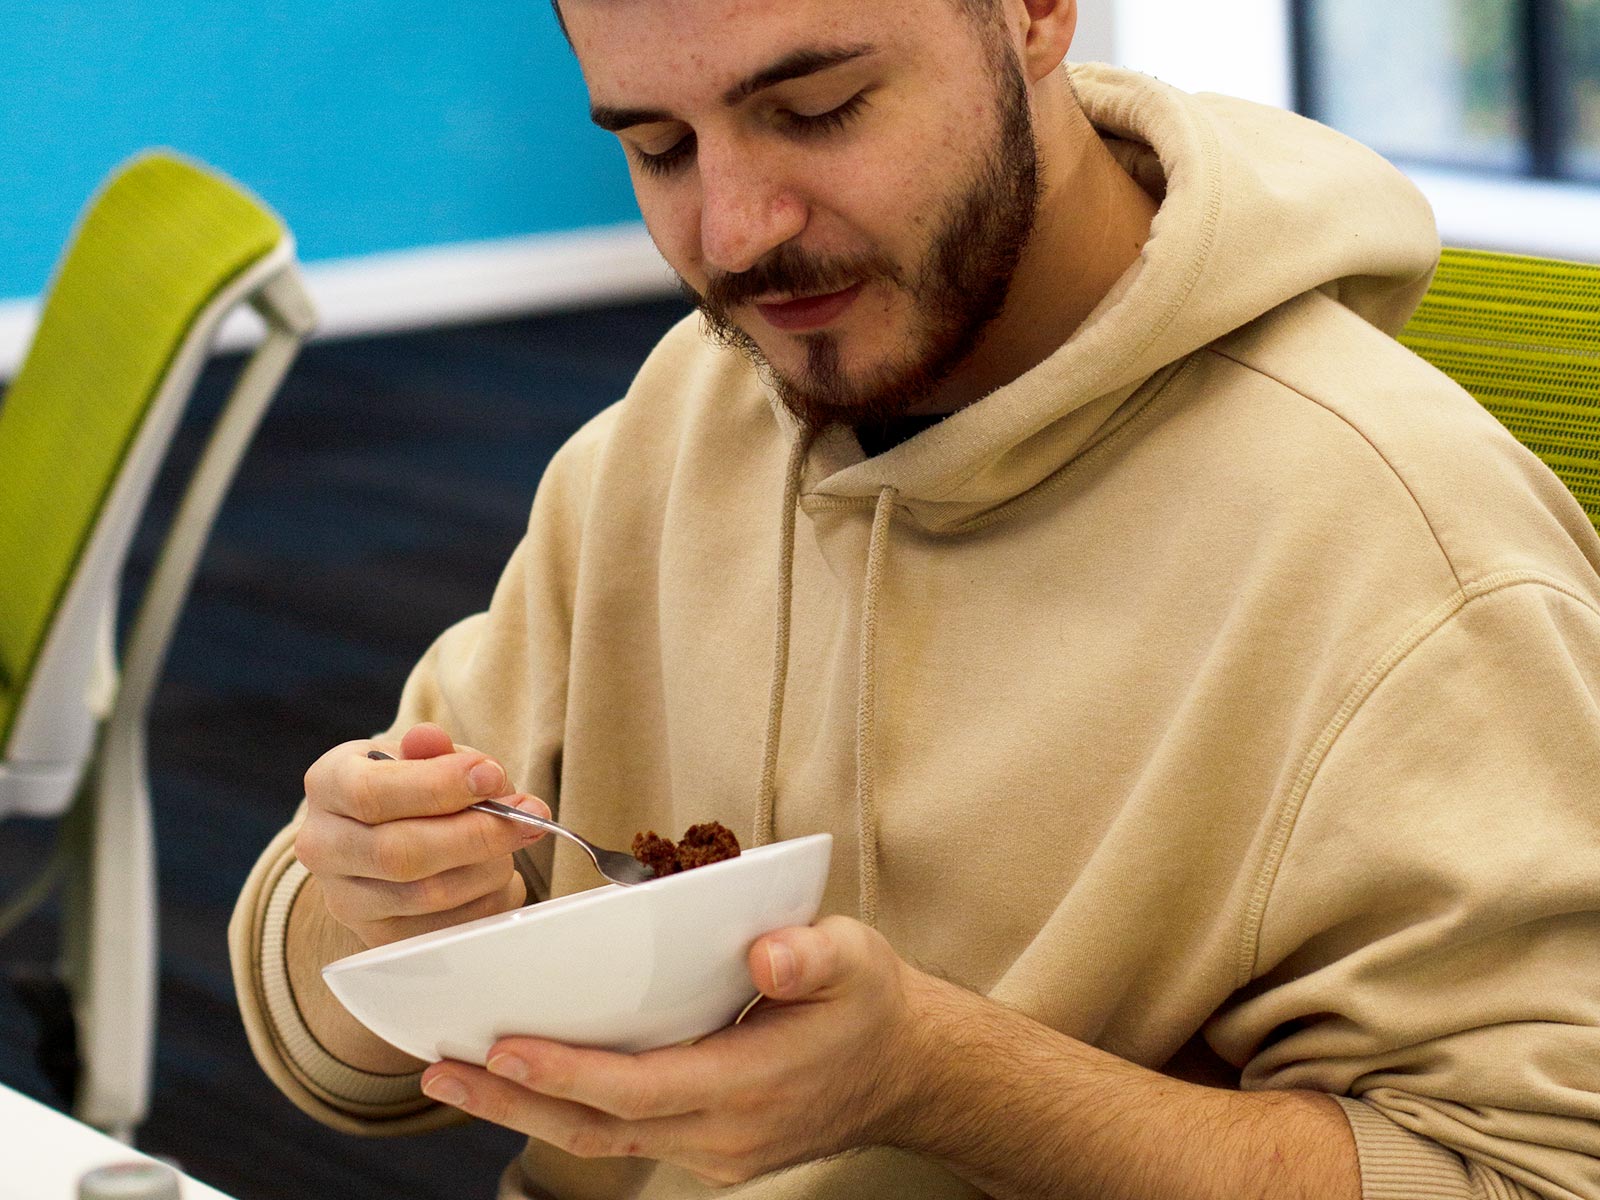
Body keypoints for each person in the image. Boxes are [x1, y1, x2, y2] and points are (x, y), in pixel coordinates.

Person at [229, 0, 1600, 1197]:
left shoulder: (1411, 549)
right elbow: (339, 1057)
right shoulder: (685, 412)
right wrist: (385, 916)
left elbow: (1531, 1176)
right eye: (657, 147)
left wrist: (938, 1083)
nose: (735, 233)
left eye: (817, 110)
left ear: (1037, 11)